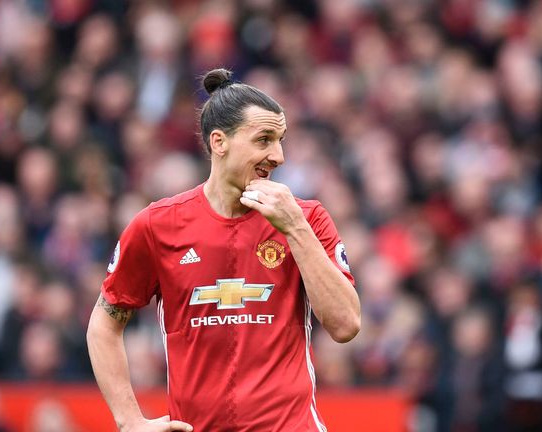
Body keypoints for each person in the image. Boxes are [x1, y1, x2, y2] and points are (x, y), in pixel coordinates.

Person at [86, 68, 361, 431]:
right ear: (219, 142)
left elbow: (346, 325)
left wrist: (295, 228)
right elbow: (104, 326)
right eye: (264, 140)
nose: (278, 156)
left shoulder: (306, 219)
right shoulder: (158, 225)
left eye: (280, 140)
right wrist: (129, 422)